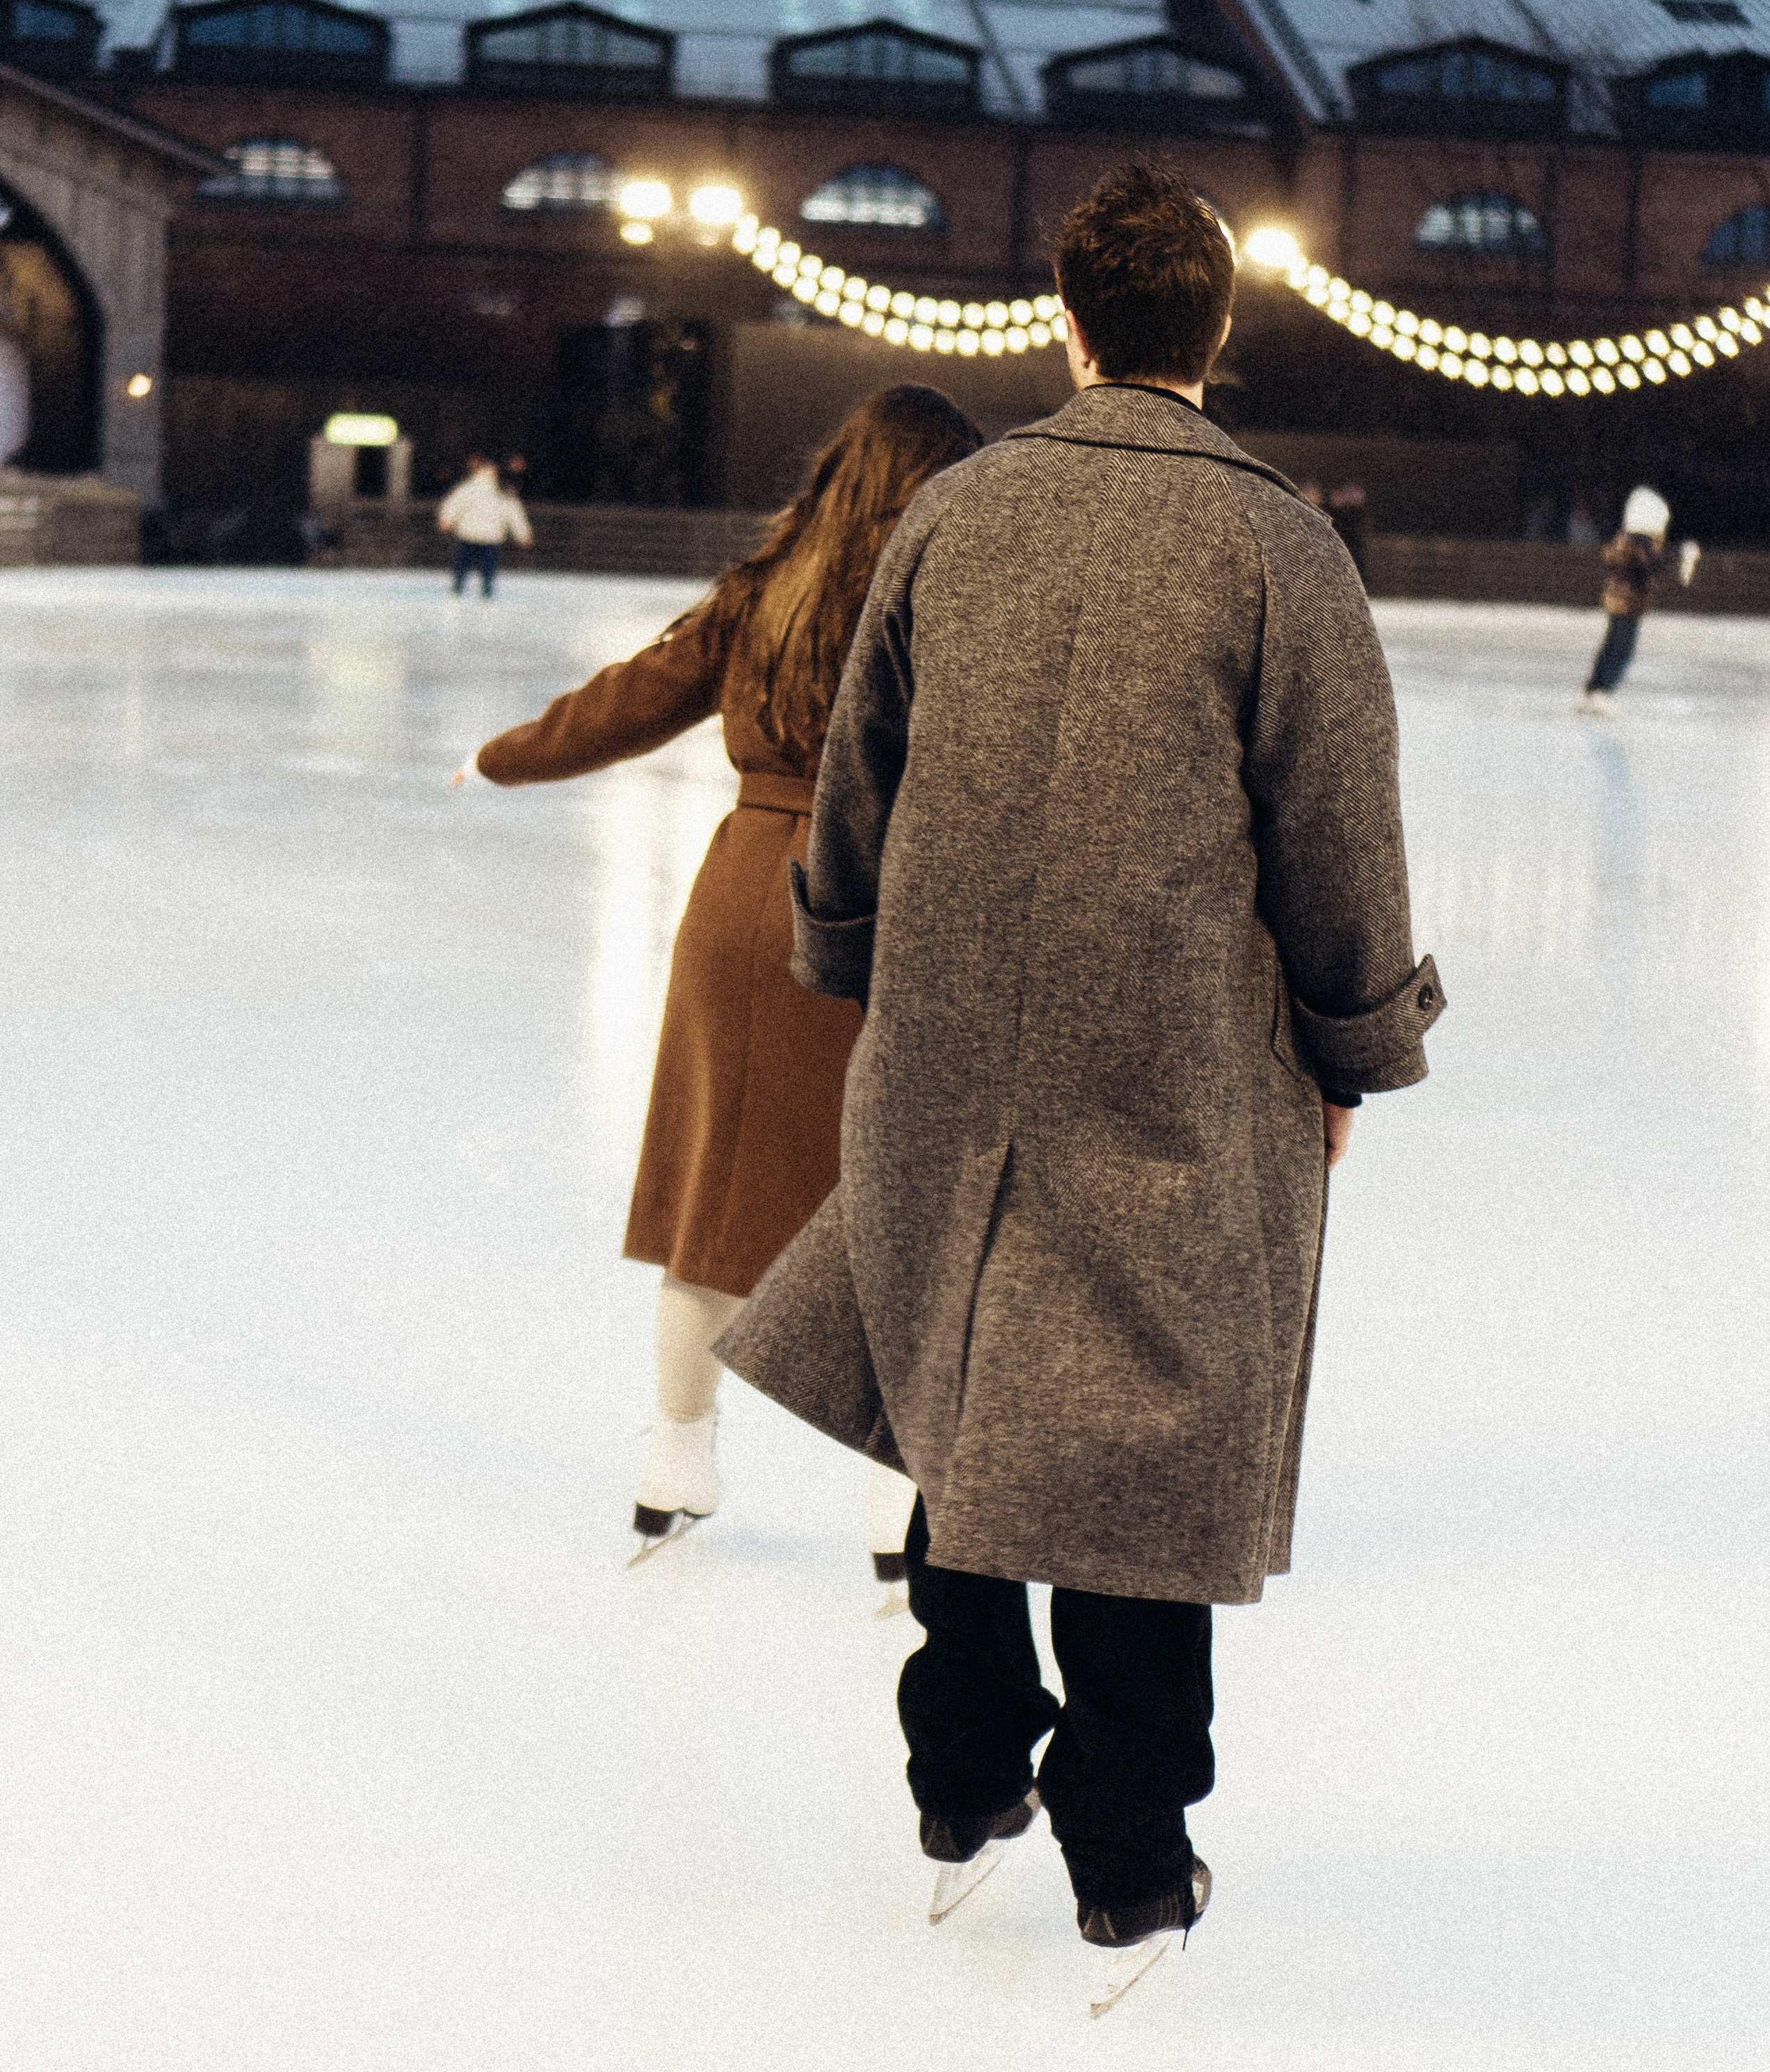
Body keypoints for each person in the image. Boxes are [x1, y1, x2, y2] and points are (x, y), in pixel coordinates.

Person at [718, 162, 1444, 1977]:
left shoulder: (957, 514)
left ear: (1068, 321)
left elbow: (860, 790)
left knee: (963, 1401)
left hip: (957, 1047)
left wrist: (852, 967)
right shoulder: (1280, 542)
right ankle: (1129, 1856)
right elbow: (1340, 835)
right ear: (1217, 333)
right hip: (1174, 1064)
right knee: (1134, 1444)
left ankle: (964, 1777)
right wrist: (1353, 1049)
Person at [458, 387, 982, 1573]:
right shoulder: (951, 595)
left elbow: (629, 701)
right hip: (888, 905)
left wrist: (500, 759)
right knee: (897, 1216)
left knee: (717, 1208)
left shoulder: (763, 593)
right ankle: (900, 1513)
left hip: (749, 901)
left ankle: (673, 1464)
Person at [1577, 486, 1700, 713]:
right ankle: (1601, 691)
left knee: (1612, 645)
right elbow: (1654, 562)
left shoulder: (1626, 537)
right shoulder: (1639, 541)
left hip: (1621, 600)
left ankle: (1593, 689)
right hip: (1628, 602)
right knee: (1621, 648)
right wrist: (1680, 552)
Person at [437, 452, 532, 595]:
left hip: (473, 535)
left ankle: (461, 591)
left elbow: (453, 504)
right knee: (483, 569)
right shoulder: (497, 492)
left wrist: (446, 520)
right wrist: (523, 535)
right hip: (484, 537)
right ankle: (480, 592)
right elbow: (515, 514)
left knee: (465, 568)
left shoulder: (473, 489)